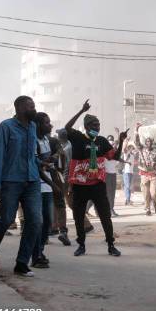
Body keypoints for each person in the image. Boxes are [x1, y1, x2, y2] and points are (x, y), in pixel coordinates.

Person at [0, 96, 43, 277]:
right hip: (11, 181)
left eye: (34, 106)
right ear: (18, 108)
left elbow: (31, 155)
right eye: (30, 106)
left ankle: (21, 263)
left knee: (35, 221)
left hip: (32, 181)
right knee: (7, 219)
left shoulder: (33, 127)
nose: (33, 109)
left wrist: (41, 163)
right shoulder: (5, 127)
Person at [65, 100, 126, 257]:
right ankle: (81, 244)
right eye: (94, 126)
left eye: (98, 125)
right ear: (86, 127)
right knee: (78, 216)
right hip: (79, 185)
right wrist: (81, 110)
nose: (97, 128)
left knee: (105, 215)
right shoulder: (78, 138)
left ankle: (111, 244)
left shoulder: (102, 141)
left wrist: (121, 141)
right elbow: (67, 127)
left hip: (97, 185)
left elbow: (115, 158)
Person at [31, 112, 59, 269]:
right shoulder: (33, 141)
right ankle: (35, 256)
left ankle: (39, 251)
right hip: (36, 185)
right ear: (39, 125)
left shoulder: (46, 140)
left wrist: (51, 160)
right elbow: (37, 165)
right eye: (47, 123)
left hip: (47, 186)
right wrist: (52, 183)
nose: (50, 125)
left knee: (47, 221)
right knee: (38, 222)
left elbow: (45, 163)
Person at [135, 125, 156, 216]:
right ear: (145, 143)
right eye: (147, 141)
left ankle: (155, 203)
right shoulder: (142, 150)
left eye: (150, 141)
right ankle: (148, 209)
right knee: (145, 193)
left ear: (152, 142)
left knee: (153, 193)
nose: (148, 143)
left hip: (153, 174)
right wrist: (136, 131)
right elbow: (137, 142)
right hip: (144, 174)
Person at [104, 135, 119, 217]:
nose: (111, 142)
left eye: (112, 140)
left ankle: (111, 209)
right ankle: (109, 210)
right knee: (108, 193)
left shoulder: (115, 151)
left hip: (113, 174)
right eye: (110, 140)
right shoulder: (104, 152)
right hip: (107, 174)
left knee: (112, 193)